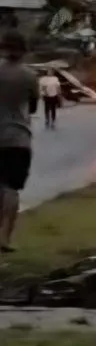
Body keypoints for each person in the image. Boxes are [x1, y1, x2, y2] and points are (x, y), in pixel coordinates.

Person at [0, 30, 39, 252]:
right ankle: (5, 238)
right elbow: (33, 106)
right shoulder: (29, 76)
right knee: (12, 189)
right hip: (18, 138)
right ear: (23, 51)